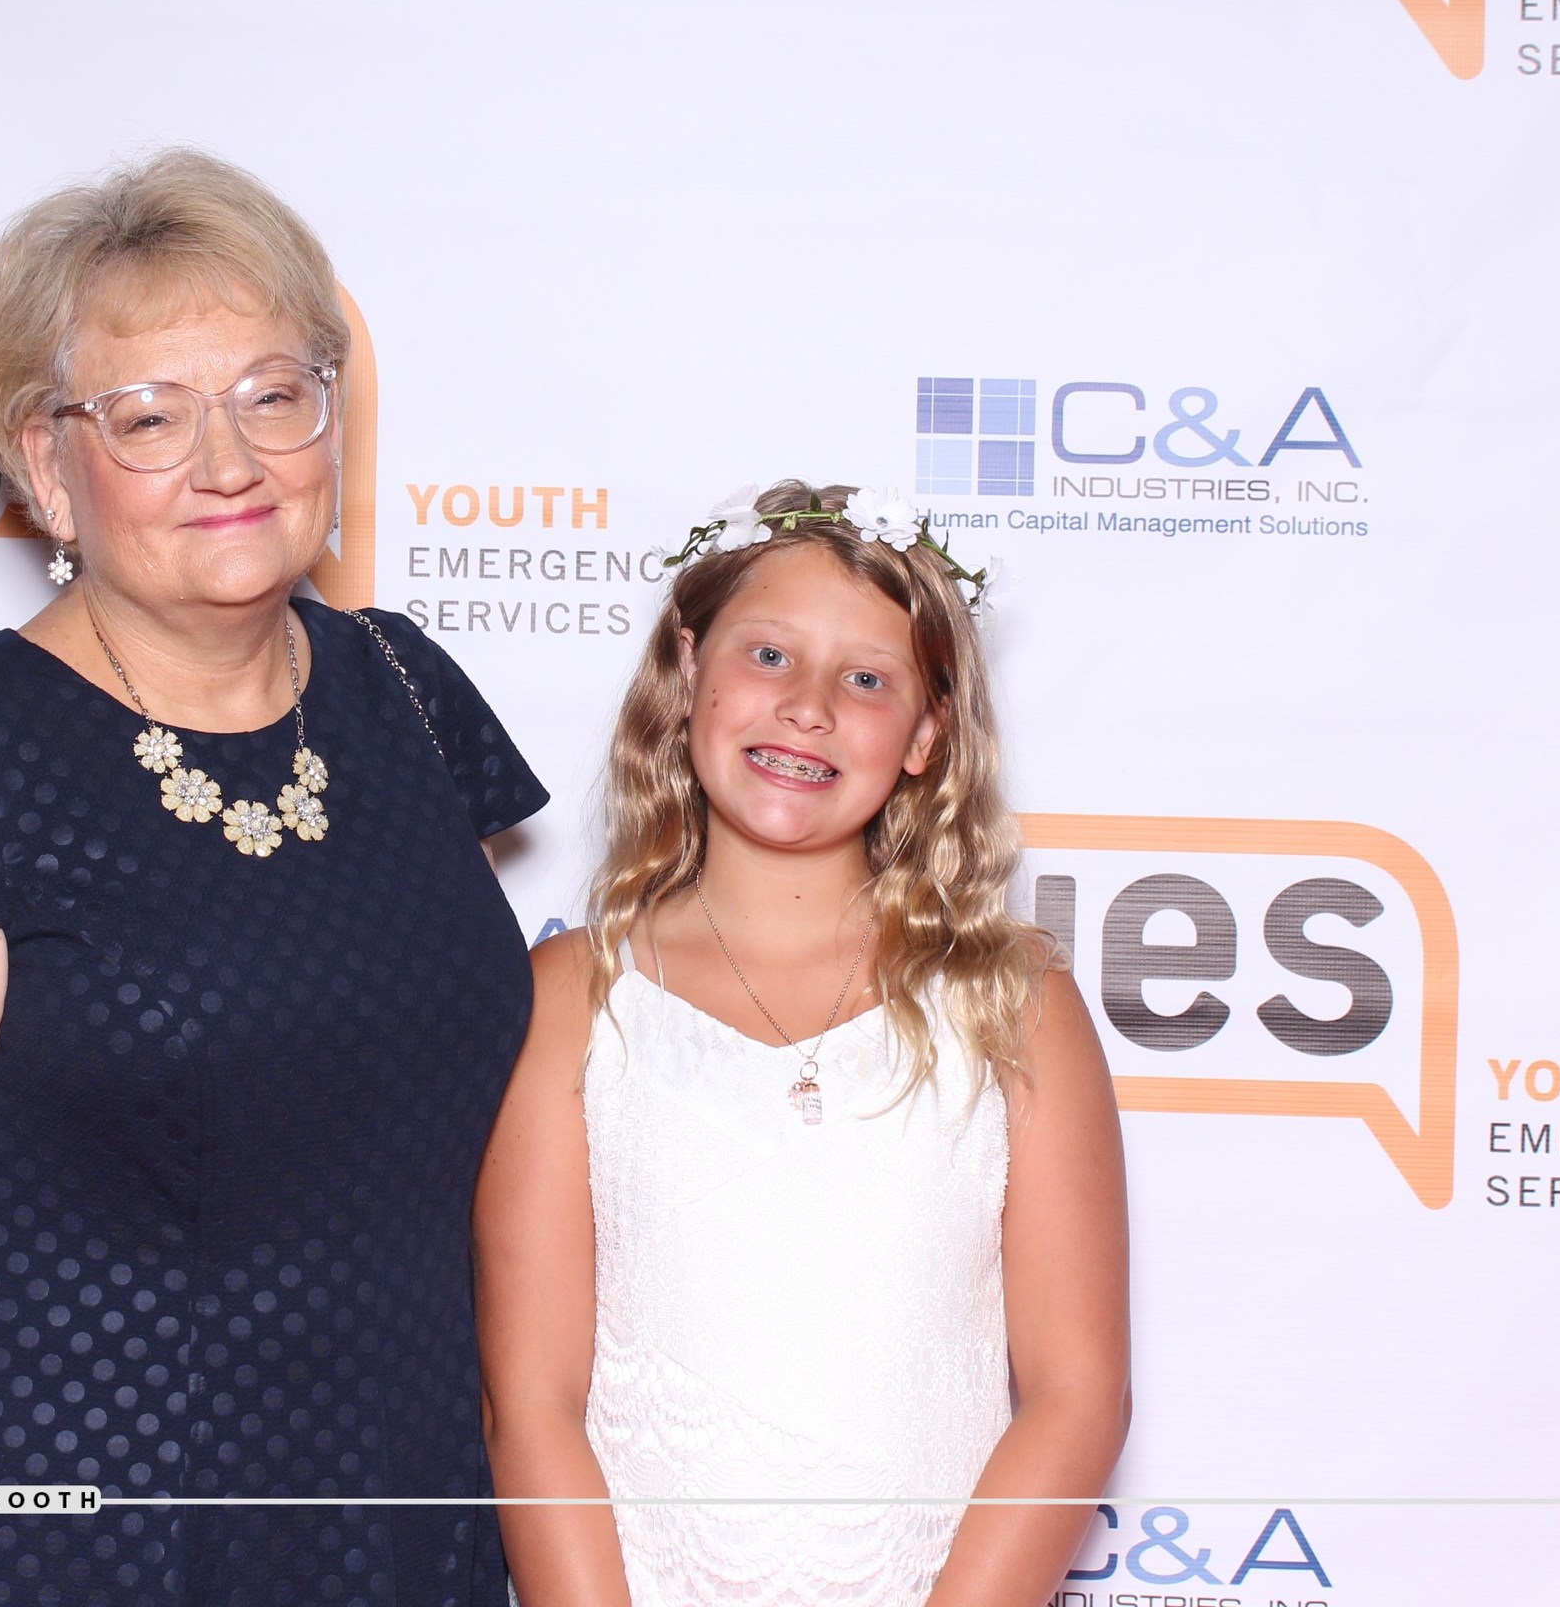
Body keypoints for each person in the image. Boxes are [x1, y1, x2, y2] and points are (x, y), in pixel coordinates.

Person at [0, 150, 547, 1607]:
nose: (229, 463)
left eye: (272, 396)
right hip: (67, 1539)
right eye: (150, 418)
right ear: (47, 465)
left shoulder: (408, 693)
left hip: (398, 1522)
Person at [474, 480, 1130, 1607]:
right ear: (689, 673)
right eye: (770, 655)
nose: (807, 708)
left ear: (927, 734)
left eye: (867, 680)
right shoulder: (570, 996)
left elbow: (1078, 1396)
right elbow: (532, 1404)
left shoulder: (1014, 1002)